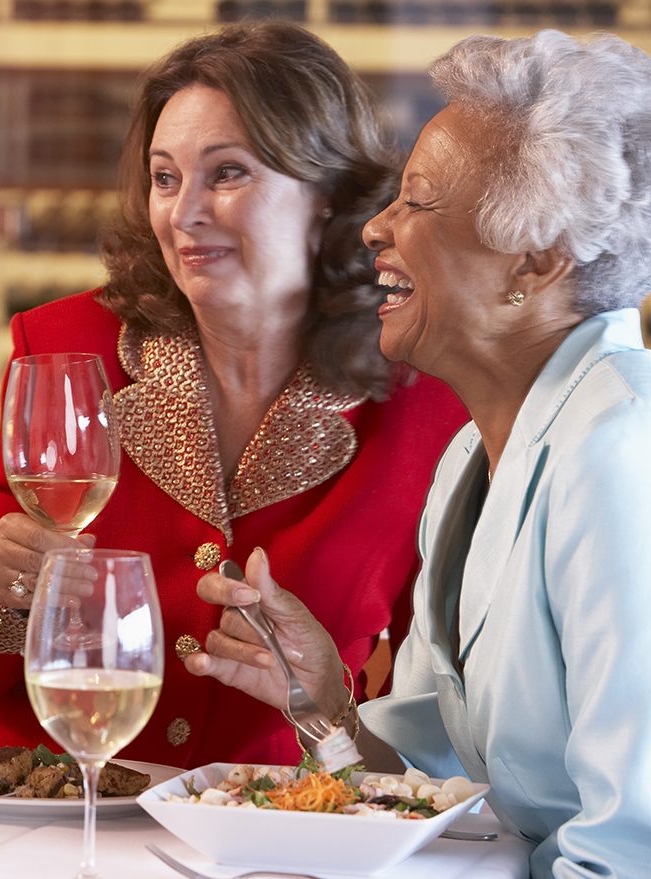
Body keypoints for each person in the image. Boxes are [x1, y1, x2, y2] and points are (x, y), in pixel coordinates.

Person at [0, 22, 467, 768]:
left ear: (329, 196)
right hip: (67, 822)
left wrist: (328, 709)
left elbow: (445, 742)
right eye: (166, 176)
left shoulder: (428, 404)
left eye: (228, 173)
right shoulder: (65, 349)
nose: (183, 214)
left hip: (281, 832)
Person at [187, 30, 651, 878]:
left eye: (417, 203)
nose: (374, 229)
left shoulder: (623, 454)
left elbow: (630, 848)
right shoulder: (472, 452)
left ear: (537, 259)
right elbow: (430, 785)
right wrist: (326, 702)